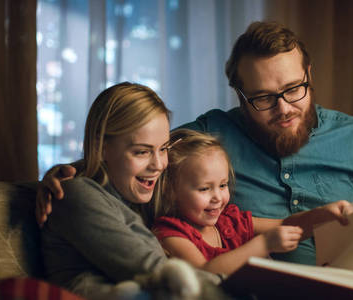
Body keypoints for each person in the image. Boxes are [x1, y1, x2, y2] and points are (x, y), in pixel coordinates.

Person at [37, 22, 353, 299]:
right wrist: (67, 172)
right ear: (240, 94)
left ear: (308, 74)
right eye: (264, 98)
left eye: (294, 90)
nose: (285, 108)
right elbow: (141, 159)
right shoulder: (210, 133)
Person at [40, 82, 222, 300]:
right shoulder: (74, 194)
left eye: (163, 149)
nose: (159, 164)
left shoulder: (141, 194)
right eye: (142, 152)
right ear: (102, 146)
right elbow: (155, 271)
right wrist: (231, 285)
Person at [152, 128, 353, 275]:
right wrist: (264, 244)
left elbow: (285, 225)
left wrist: (323, 214)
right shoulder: (171, 233)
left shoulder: (229, 221)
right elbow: (206, 274)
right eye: (204, 188)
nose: (217, 197)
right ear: (170, 192)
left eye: (223, 185)